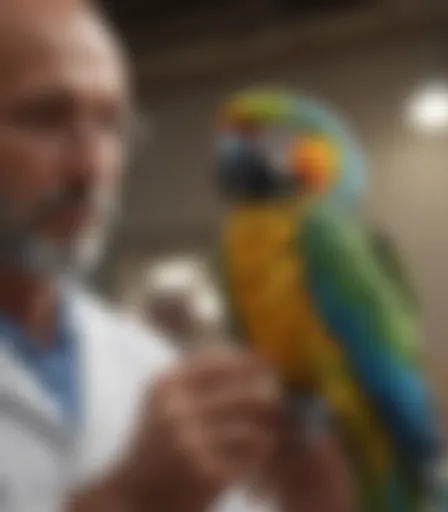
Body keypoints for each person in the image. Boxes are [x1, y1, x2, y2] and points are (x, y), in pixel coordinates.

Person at [0, 1, 355, 511]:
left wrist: (310, 496)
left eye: (111, 126)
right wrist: (127, 501)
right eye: (44, 119)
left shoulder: (151, 367)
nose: (91, 168)